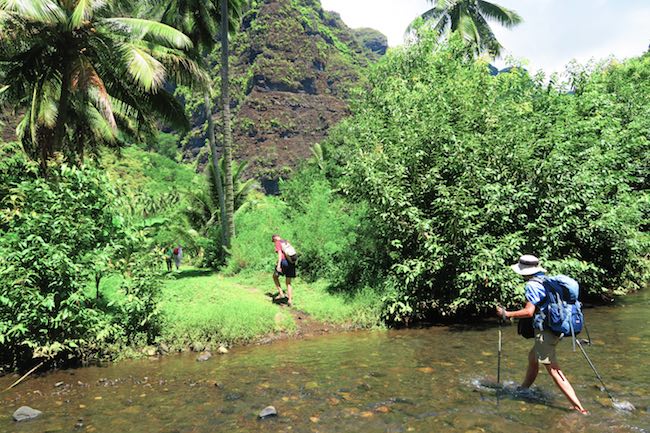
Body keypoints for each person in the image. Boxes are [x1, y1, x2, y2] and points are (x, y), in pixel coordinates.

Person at [496, 254, 587, 414]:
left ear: (524, 271)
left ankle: (579, 408)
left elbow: (529, 312)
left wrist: (507, 313)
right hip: (557, 329)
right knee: (533, 357)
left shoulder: (532, 285)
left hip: (545, 333)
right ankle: (523, 389)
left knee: (553, 370)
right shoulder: (547, 281)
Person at [271, 234, 295, 307]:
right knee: (288, 283)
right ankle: (290, 300)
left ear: (274, 239)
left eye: (273, 241)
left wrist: (278, 265)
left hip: (283, 262)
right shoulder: (286, 242)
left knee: (275, 276)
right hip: (291, 263)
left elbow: (280, 255)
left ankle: (281, 293)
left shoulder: (278, 243)